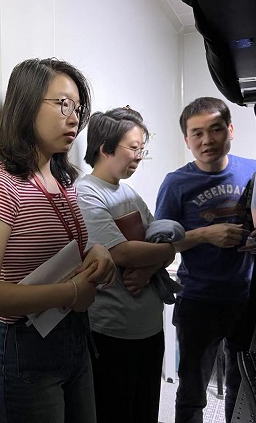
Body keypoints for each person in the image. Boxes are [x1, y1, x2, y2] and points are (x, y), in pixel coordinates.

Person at [0, 58, 117, 423]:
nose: (74, 118)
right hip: (22, 344)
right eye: (63, 104)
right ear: (27, 104)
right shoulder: (0, 184)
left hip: (71, 333)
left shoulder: (63, 181)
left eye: (77, 108)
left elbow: (60, 252)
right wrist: (72, 292)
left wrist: (95, 250)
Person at [155, 97, 256, 423]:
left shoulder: (254, 170)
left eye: (215, 129)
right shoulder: (176, 183)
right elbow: (159, 246)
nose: (207, 140)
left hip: (248, 296)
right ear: (186, 140)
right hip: (198, 300)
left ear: (230, 130)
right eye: (197, 133)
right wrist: (203, 235)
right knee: (191, 394)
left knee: (244, 390)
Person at [75, 107, 177, 423]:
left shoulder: (128, 192)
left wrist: (153, 263)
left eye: (141, 149)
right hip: (112, 332)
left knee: (145, 412)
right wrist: (163, 252)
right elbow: (121, 253)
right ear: (105, 148)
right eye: (133, 148)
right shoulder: (85, 193)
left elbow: (162, 245)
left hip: (149, 329)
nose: (139, 157)